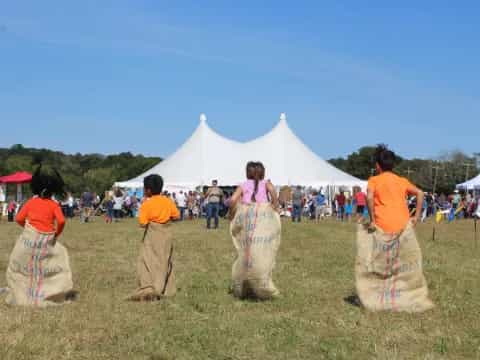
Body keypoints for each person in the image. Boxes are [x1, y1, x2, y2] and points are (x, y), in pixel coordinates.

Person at [355, 145, 433, 312]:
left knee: (381, 261)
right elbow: (420, 193)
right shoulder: (401, 181)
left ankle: (380, 296)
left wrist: (373, 219)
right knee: (401, 262)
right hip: (403, 227)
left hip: (383, 226)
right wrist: (416, 216)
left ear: (377, 166)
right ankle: (402, 295)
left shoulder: (374, 180)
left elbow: (369, 197)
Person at [5, 165, 75, 306]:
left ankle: (23, 293)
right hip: (47, 240)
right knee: (48, 265)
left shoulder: (31, 202)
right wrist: (56, 234)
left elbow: (19, 218)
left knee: (21, 266)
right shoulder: (54, 205)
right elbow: (61, 221)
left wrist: (29, 230)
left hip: (29, 241)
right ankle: (46, 293)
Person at [228, 162, 281, 300]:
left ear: (247, 172)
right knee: (262, 251)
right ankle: (261, 283)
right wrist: (274, 206)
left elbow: (233, 199)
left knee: (245, 250)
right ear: (263, 173)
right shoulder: (266, 183)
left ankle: (243, 284)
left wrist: (231, 213)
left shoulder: (243, 184)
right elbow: (274, 194)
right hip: (263, 219)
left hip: (246, 219)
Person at [130, 174, 180, 301]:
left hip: (152, 234)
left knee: (147, 260)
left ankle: (150, 288)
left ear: (148, 190)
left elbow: (142, 223)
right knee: (164, 261)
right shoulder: (168, 201)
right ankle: (164, 288)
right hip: (167, 234)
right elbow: (176, 216)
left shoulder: (147, 204)